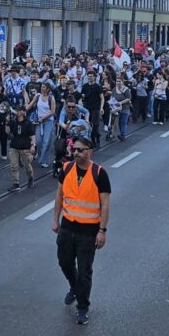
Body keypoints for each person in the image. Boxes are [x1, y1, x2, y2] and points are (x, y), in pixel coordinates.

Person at [51, 137, 111, 325]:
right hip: (67, 227)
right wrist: (55, 219)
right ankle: (74, 287)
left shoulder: (99, 173)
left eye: (80, 150)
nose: (76, 153)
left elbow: (105, 204)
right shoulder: (67, 169)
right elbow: (59, 195)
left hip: (88, 231)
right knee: (64, 262)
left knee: (85, 271)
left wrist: (102, 230)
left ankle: (83, 307)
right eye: (74, 149)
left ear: (90, 151)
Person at [6, 105, 36, 191]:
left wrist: (33, 145)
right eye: (16, 110)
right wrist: (7, 122)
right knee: (14, 166)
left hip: (25, 148)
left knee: (27, 166)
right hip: (14, 146)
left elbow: (32, 135)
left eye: (19, 110)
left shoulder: (28, 123)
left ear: (23, 112)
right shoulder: (14, 121)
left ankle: (30, 178)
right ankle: (16, 184)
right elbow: (7, 131)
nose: (17, 112)